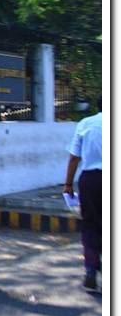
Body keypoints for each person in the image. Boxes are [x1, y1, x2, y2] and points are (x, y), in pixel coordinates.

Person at [63, 96, 102, 292]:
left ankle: (91, 269)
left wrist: (68, 183)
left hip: (91, 180)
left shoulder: (86, 123)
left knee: (90, 224)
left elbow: (73, 158)